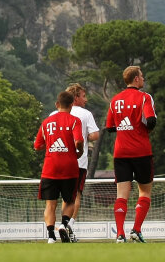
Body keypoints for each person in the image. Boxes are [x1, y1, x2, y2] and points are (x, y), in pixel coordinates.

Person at [103, 65, 156, 243]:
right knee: (144, 192)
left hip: (121, 153)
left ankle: (119, 234)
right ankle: (136, 230)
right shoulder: (144, 97)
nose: (143, 79)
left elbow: (109, 127)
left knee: (121, 195)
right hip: (141, 151)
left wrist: (124, 127)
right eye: (141, 76)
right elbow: (151, 121)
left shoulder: (115, 100)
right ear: (135, 79)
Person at [35, 91, 85, 243]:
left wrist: (51, 146)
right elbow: (78, 141)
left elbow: (37, 146)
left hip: (50, 167)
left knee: (50, 204)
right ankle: (64, 225)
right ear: (71, 105)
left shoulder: (46, 122)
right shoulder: (75, 121)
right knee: (69, 200)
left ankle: (51, 237)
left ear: (57, 104)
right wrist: (80, 151)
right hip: (69, 167)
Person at [64, 83, 101, 224]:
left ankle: (58, 227)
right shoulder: (85, 114)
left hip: (59, 160)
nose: (86, 100)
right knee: (76, 195)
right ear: (75, 97)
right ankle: (69, 225)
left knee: (63, 197)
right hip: (79, 161)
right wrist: (83, 136)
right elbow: (95, 135)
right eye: (84, 96)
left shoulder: (57, 113)